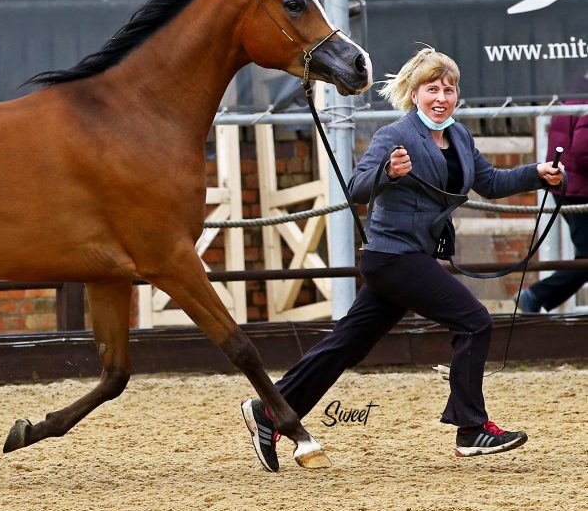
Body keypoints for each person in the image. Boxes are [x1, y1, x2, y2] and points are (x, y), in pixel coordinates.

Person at [240, 47, 564, 472]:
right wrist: (387, 174)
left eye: (449, 89)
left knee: (345, 346)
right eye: (432, 88)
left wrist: (537, 173)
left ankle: (270, 410)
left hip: (408, 259)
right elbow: (355, 187)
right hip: (393, 257)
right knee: (474, 320)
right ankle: (470, 429)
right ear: (414, 93)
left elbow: (488, 181)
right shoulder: (395, 135)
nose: (441, 97)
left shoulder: (459, 137)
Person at [518, 85, 588, 313]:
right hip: (579, 191)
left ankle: (536, 296)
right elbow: (582, 152)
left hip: (570, 188)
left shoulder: (572, 95)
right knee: (586, 258)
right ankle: (536, 295)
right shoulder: (582, 99)